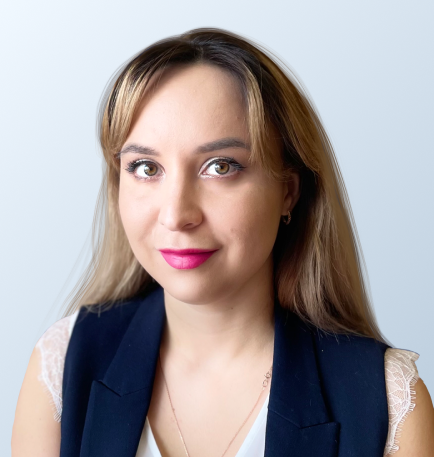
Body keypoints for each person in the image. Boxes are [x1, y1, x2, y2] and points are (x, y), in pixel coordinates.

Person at [11, 28, 434, 457]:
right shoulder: (61, 367)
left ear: (288, 192)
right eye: (145, 167)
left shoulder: (389, 402)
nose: (176, 214)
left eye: (220, 166)